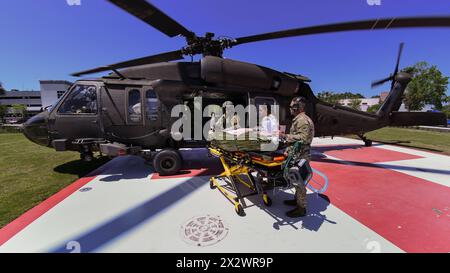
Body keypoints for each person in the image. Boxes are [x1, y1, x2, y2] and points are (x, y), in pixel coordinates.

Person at [282, 96, 315, 218]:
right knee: (295, 180)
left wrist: (285, 136)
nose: (290, 109)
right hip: (297, 154)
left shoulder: (302, 120)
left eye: (292, 107)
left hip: (301, 156)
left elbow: (304, 138)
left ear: (297, 107)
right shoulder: (299, 119)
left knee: (299, 183)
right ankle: (297, 201)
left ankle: (301, 208)